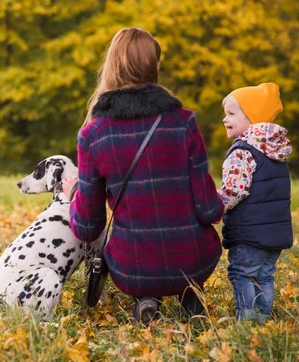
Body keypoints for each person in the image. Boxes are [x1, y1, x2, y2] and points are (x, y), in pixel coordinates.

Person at [62, 28, 224, 326]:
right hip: (194, 258)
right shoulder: (184, 123)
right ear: (154, 66)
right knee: (191, 253)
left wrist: (73, 193)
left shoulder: (93, 135)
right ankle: (190, 293)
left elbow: (87, 226)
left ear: (112, 65)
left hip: (132, 266)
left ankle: (146, 298)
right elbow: (209, 209)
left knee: (139, 258)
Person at [219, 83, 293, 323]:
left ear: (252, 117)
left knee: (243, 273)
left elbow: (234, 191)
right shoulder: (275, 150)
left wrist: (213, 207)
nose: (224, 119)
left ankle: (248, 323)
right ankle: (263, 320)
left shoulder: (242, 151)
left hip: (248, 233)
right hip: (274, 233)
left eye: (231, 114)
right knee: (264, 276)